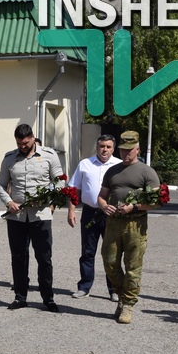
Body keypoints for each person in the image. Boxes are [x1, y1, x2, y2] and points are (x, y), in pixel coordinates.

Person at [0, 123, 63, 312]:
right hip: (16, 217)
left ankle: (48, 298)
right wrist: (9, 202)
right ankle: (20, 297)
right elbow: (1, 185)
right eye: (19, 143)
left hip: (41, 215)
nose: (23, 147)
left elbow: (60, 183)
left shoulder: (49, 155)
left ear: (33, 137)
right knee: (18, 257)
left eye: (25, 143)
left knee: (44, 258)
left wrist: (48, 200)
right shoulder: (9, 158)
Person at [97, 130, 162, 324]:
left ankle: (128, 305)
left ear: (137, 149)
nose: (125, 154)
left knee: (133, 265)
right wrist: (103, 205)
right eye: (123, 150)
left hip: (136, 223)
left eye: (129, 150)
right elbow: (102, 196)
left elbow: (157, 201)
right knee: (109, 262)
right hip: (114, 222)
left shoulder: (146, 172)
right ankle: (121, 295)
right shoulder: (112, 171)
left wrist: (134, 206)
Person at [67, 134, 122, 300]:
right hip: (90, 212)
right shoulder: (85, 164)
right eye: (101, 146)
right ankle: (84, 286)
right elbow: (73, 189)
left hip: (111, 214)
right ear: (97, 147)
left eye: (108, 147)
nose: (104, 150)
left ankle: (114, 289)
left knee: (111, 252)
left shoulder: (119, 166)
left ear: (113, 148)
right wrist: (71, 210)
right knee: (87, 252)